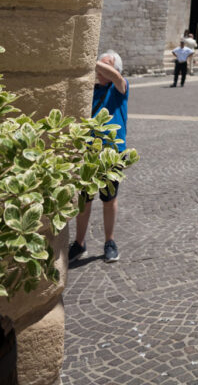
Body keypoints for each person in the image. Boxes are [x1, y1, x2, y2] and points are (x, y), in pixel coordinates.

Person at [68, 51, 130, 265]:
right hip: (89, 152)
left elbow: (116, 77)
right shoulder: (89, 89)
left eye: (106, 66)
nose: (100, 70)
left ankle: (109, 242)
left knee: (109, 200)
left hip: (112, 153)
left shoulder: (120, 87)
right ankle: (79, 243)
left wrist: (87, 60)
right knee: (84, 201)